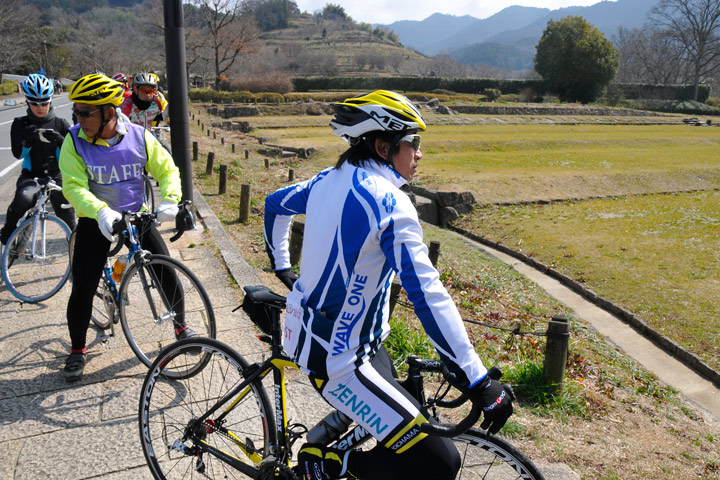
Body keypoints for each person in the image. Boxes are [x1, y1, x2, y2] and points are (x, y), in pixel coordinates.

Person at [263, 90, 514, 480]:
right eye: (413, 142)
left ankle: (329, 444)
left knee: (399, 415)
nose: (419, 153)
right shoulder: (388, 203)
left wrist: (282, 266)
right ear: (383, 146)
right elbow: (427, 294)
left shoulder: (327, 180)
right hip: (337, 360)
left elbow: (274, 204)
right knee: (441, 463)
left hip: (345, 340)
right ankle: (321, 465)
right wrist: (477, 379)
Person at [59, 73, 194, 382]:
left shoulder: (138, 135)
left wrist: (170, 200)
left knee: (166, 272)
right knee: (83, 287)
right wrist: (100, 211)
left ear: (109, 111)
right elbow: (74, 187)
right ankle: (77, 349)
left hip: (136, 216)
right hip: (98, 220)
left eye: (85, 112)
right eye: (76, 112)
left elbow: (167, 169)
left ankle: (182, 327)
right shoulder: (74, 140)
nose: (79, 119)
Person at [1, 73, 76, 245]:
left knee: (68, 215)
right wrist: (26, 141)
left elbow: (73, 155)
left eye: (44, 102)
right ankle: (9, 228)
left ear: (51, 100)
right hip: (31, 175)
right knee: (23, 199)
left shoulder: (60, 123)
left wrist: (61, 141)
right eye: (34, 103)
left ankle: (78, 255)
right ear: (27, 101)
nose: (40, 107)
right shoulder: (20, 123)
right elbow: (18, 154)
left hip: (56, 176)